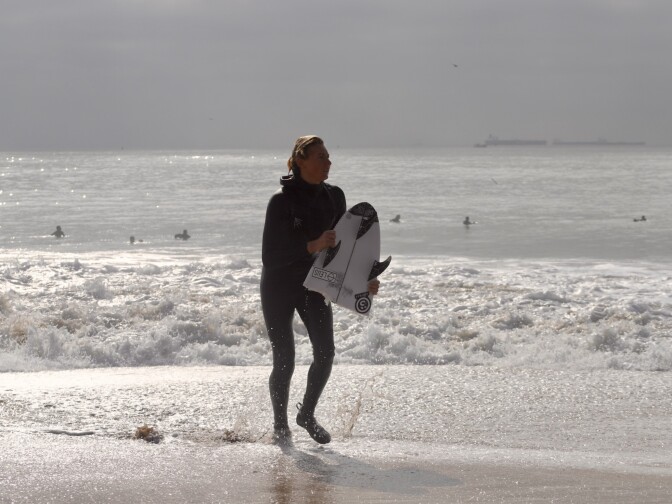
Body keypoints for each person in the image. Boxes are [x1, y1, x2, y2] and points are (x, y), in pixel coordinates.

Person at [260, 135, 380, 444]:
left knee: (326, 353)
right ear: (300, 160)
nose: (328, 162)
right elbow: (270, 257)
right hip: (279, 285)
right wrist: (312, 245)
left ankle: (306, 415)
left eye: (328, 156)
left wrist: (363, 281)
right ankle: (280, 426)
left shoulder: (334, 197)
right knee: (284, 357)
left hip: (315, 284)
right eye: (320, 157)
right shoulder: (281, 201)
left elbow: (345, 250)